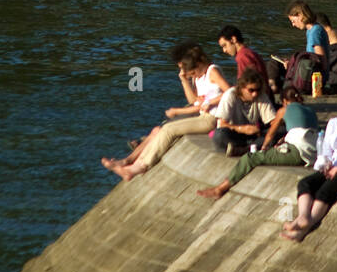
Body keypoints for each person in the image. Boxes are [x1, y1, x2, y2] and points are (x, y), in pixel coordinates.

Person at [101, 46, 229, 179]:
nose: (192, 76)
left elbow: (230, 91)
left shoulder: (212, 71)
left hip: (213, 118)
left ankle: (138, 167)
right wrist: (184, 80)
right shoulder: (198, 77)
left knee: (168, 130)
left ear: (198, 64)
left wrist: (211, 102)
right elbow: (194, 101)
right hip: (204, 116)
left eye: (191, 73)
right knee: (163, 130)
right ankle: (132, 165)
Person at [197, 87, 319, 199]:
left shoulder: (283, 110)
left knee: (250, 158)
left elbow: (271, 133)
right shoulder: (312, 112)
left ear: (285, 101)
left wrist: (264, 147)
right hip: (314, 151)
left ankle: (220, 189)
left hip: (298, 152)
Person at [280, 95, 337, 242]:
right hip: (333, 164)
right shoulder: (333, 123)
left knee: (325, 191)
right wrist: (326, 164)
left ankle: (306, 225)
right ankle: (302, 216)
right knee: (306, 183)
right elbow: (326, 148)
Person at [211, 70, 278, 155]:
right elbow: (222, 124)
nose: (255, 94)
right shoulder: (230, 95)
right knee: (219, 134)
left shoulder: (261, 96)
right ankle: (251, 148)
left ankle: (245, 149)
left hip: (254, 135)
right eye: (251, 90)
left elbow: (273, 121)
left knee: (279, 130)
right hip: (235, 134)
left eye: (257, 90)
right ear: (242, 87)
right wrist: (242, 129)